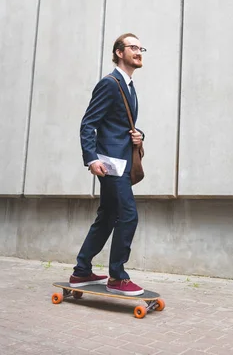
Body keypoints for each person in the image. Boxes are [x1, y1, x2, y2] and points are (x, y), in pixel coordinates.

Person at [69, 33, 147, 296]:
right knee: (128, 215)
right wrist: (91, 158)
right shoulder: (110, 83)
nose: (138, 51)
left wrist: (139, 135)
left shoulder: (129, 86)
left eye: (140, 48)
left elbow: (118, 125)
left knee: (107, 217)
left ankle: (81, 272)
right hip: (110, 163)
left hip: (121, 160)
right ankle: (117, 276)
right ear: (118, 52)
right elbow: (88, 123)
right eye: (132, 47)